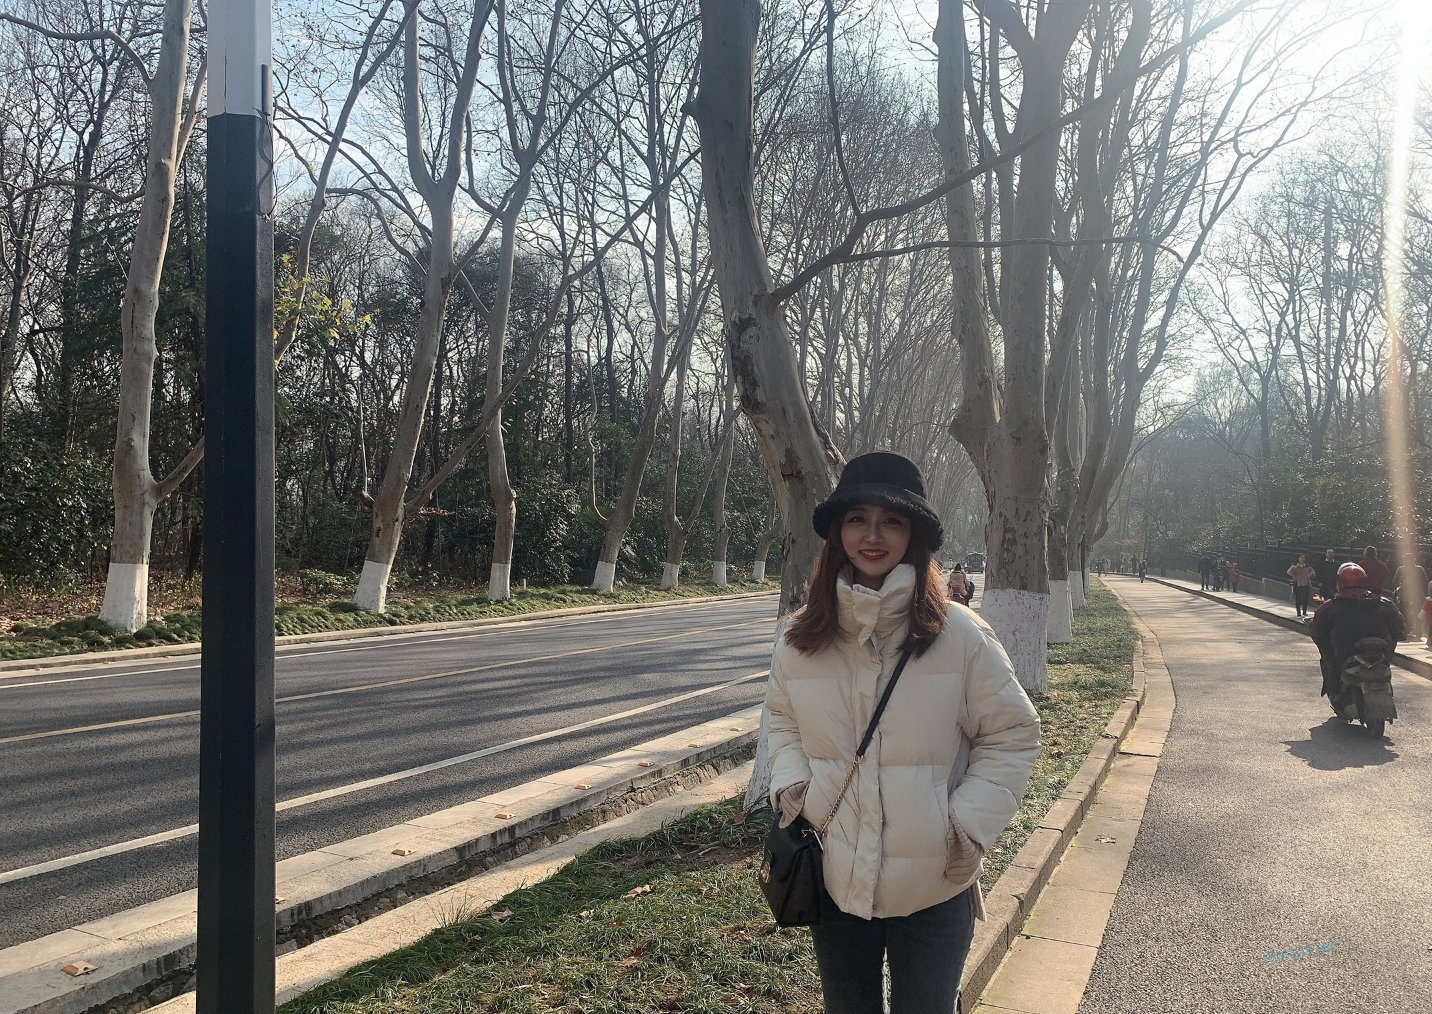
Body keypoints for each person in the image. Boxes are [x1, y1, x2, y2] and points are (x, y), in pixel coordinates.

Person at [765, 451, 1041, 1014]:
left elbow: (1011, 734)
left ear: (913, 534)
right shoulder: (800, 638)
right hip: (835, 876)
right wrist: (793, 787)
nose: (873, 535)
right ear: (837, 532)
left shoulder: (961, 635)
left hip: (935, 884)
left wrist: (965, 824)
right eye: (857, 519)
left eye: (891, 520)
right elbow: (782, 720)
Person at [1309, 563, 1405, 701]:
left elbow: (1317, 631)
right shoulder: (1384, 603)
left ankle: (1334, 687)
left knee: (1328, 659)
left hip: (1345, 654)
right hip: (1380, 654)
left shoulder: (1331, 606)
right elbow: (1400, 630)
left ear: (1340, 581)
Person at [1392, 554, 1427, 640]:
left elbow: (1395, 582)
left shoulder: (1400, 569)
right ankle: (1418, 631)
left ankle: (1406, 630)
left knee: (1404, 612)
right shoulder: (1420, 569)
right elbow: (1425, 581)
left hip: (1404, 593)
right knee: (1418, 612)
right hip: (1417, 594)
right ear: (1413, 560)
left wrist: (1397, 589)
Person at [1286, 553, 1316, 618]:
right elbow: (1289, 572)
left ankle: (1304, 611)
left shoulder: (1307, 567)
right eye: (1301, 557)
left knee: (1305, 598)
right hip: (1297, 583)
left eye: (1303, 557)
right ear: (1298, 558)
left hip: (1306, 584)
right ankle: (1298, 613)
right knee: (1298, 598)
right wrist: (1294, 575)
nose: (1302, 559)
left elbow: (1313, 573)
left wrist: (1310, 575)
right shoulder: (1295, 567)